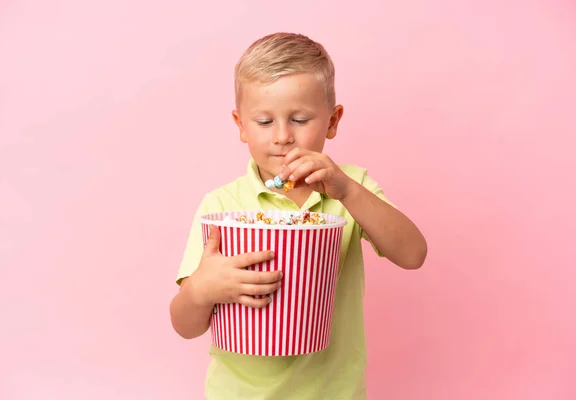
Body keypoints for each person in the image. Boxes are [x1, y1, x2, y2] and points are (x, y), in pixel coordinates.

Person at [169, 32, 427, 399]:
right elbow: (184, 325)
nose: (282, 136)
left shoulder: (351, 186)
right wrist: (200, 289)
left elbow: (413, 254)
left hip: (334, 392)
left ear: (332, 122)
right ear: (240, 125)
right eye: (263, 122)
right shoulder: (221, 205)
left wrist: (348, 191)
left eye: (300, 119)